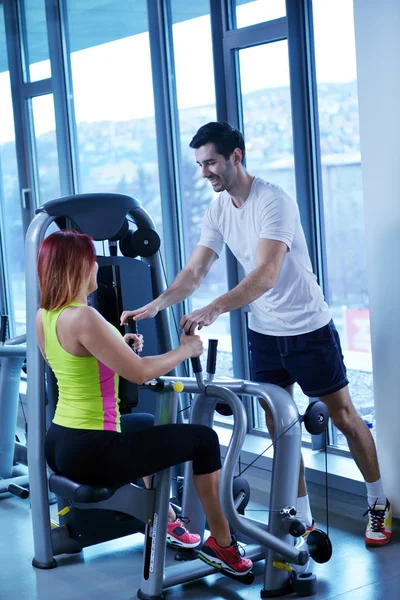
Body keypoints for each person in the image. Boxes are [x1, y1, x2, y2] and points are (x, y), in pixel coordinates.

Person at [121, 121, 392, 548]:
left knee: (343, 415)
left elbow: (266, 275)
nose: (204, 171)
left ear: (235, 157)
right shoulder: (218, 210)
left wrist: (213, 308)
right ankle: (300, 520)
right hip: (264, 333)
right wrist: (156, 304)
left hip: (307, 326)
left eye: (210, 162)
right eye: (199, 164)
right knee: (280, 422)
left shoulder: (272, 201)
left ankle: (378, 504)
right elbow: (194, 271)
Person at [36, 229, 252, 577]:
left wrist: (117, 344)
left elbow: (76, 362)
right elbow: (138, 373)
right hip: (94, 450)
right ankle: (223, 546)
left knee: (147, 422)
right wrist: (185, 350)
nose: (96, 267)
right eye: (91, 261)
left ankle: (165, 518)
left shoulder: (45, 316)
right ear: (78, 267)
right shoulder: (84, 317)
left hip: (60, 443)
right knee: (204, 440)